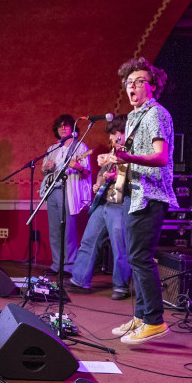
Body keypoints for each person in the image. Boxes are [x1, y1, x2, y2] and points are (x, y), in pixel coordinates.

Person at [106, 57, 178, 345]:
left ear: (153, 86)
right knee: (135, 258)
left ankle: (155, 321)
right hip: (135, 196)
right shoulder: (135, 116)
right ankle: (141, 315)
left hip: (151, 196)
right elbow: (134, 160)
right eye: (128, 83)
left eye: (139, 82)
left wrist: (129, 157)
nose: (132, 87)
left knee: (140, 258)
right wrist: (118, 160)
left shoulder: (156, 115)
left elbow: (160, 157)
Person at [69, 114, 131, 298]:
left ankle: (121, 286)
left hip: (120, 204)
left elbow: (135, 178)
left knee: (120, 247)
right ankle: (79, 280)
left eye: (114, 134)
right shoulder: (114, 151)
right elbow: (103, 173)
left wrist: (116, 176)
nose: (111, 138)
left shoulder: (133, 151)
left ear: (124, 132)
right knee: (88, 241)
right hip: (103, 202)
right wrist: (98, 183)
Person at [41, 114, 93, 277]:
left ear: (72, 128)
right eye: (60, 126)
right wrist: (46, 167)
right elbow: (44, 172)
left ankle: (69, 266)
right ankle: (57, 264)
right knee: (54, 230)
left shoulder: (80, 147)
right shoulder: (52, 149)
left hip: (69, 191)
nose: (63, 128)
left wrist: (76, 166)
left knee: (68, 230)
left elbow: (86, 173)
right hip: (52, 192)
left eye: (66, 125)